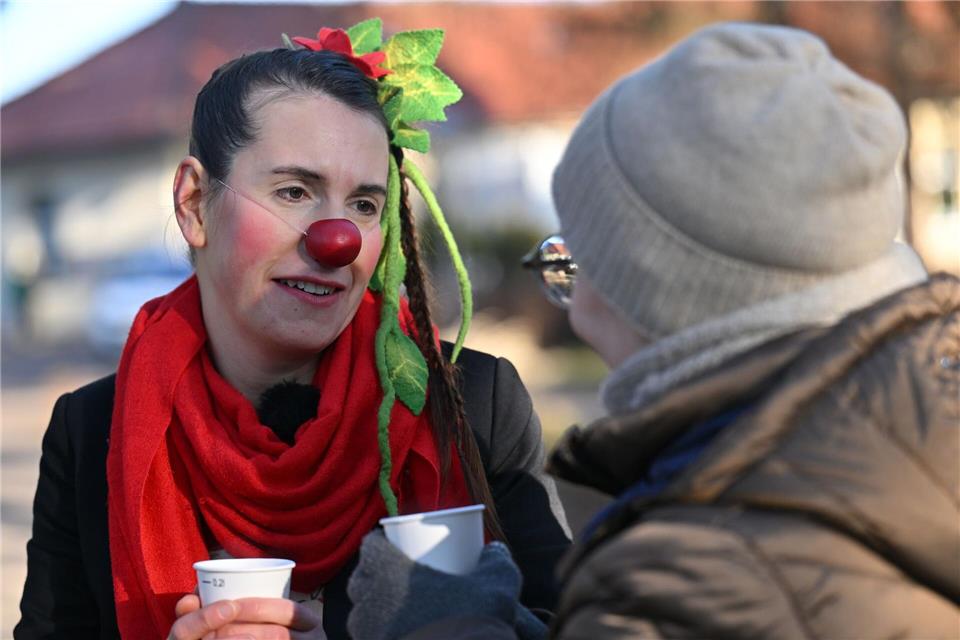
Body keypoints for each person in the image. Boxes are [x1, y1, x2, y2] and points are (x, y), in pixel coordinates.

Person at [345, 21, 960, 639]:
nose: (573, 300)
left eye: (575, 263)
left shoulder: (688, 575)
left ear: (657, 288)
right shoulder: (897, 437)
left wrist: (440, 626)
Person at [15, 19, 570, 640]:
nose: (337, 241)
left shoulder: (473, 401)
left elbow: (568, 625)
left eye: (364, 205)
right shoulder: (92, 432)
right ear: (195, 204)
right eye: (294, 191)